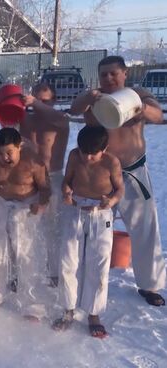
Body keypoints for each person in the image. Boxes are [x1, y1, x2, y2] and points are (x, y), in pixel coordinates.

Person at [71, 55, 166, 306]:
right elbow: (74, 107)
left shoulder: (139, 95)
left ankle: (150, 284)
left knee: (145, 228)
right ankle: (79, 278)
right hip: (99, 175)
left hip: (133, 171)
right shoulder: (96, 99)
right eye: (104, 74)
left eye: (114, 73)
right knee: (89, 229)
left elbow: (158, 116)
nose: (109, 78)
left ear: (125, 73)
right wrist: (90, 97)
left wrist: (140, 108)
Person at [0, 128, 51, 321]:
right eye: (0, 152)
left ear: (19, 146)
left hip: (26, 205)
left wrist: (41, 205)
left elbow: (45, 188)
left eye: (9, 152)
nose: (4, 157)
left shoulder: (33, 161)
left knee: (27, 255)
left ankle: (33, 305)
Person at [52, 125, 124, 338]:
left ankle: (94, 313)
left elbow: (119, 188)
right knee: (68, 261)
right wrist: (66, 190)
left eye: (93, 153)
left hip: (100, 213)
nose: (88, 157)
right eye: (84, 151)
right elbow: (67, 180)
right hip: (74, 210)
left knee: (98, 262)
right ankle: (68, 310)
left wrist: (111, 200)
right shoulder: (75, 156)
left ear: (105, 148)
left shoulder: (112, 162)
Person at [20, 83, 71, 285]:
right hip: (29, 178)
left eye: (45, 101)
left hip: (53, 176)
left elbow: (58, 117)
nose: (40, 104)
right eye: (37, 99)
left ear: (54, 101)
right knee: (25, 225)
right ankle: (24, 271)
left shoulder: (60, 121)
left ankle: (54, 274)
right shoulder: (27, 119)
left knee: (53, 227)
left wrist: (35, 104)